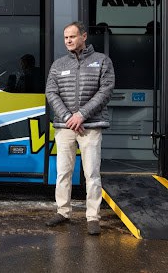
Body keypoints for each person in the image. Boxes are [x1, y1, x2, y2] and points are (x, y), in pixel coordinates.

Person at [45, 21, 115, 235]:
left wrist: (81, 114)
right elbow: (51, 92)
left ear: (84, 36)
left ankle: (93, 217)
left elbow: (106, 90)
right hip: (65, 126)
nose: (68, 41)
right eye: (66, 37)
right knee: (63, 172)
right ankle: (63, 212)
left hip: (90, 126)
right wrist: (68, 116)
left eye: (72, 37)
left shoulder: (102, 61)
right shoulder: (58, 64)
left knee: (91, 173)